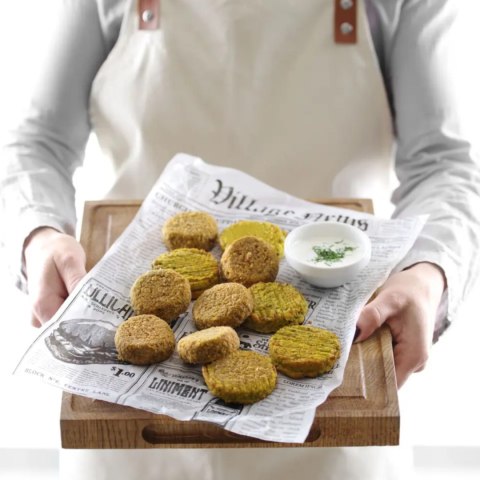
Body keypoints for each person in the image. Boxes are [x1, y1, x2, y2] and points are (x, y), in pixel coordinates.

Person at [1, 0, 479, 479]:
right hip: (131, 445)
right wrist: (39, 233)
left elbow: (444, 162)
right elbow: (37, 142)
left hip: (331, 438)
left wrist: (428, 271)